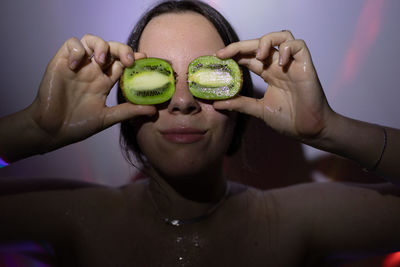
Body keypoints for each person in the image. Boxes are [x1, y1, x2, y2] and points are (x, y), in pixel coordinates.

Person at [0, 0, 400, 266]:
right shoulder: (77, 217)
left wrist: (328, 128)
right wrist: (31, 130)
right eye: (155, 77)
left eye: (209, 76)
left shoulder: (294, 221)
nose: (182, 102)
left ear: (240, 103)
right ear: (123, 98)